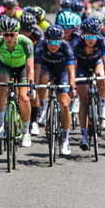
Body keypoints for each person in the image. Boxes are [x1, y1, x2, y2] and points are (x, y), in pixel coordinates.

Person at [33, 25, 76, 155]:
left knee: (64, 105)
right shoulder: (40, 46)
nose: (53, 45)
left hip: (62, 72)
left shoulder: (66, 47)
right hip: (47, 71)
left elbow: (71, 70)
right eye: (50, 42)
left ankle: (65, 140)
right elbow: (36, 69)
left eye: (56, 42)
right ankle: (42, 107)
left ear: (61, 40)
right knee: (42, 78)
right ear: (46, 40)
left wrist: (72, 86)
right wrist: (34, 87)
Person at [0, 17, 35, 146]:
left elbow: (30, 68)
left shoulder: (26, 42)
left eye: (12, 34)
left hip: (22, 68)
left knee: (24, 98)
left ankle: (26, 132)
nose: (9, 38)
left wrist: (31, 87)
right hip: (5, 68)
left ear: (17, 33)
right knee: (1, 86)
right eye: (6, 34)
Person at [72, 18, 105, 151]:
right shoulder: (76, 43)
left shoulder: (102, 41)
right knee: (83, 100)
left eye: (94, 36)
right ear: (83, 35)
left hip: (97, 63)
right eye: (88, 36)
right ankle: (83, 135)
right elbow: (73, 66)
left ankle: (103, 104)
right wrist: (73, 84)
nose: (91, 40)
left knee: (101, 77)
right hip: (81, 67)